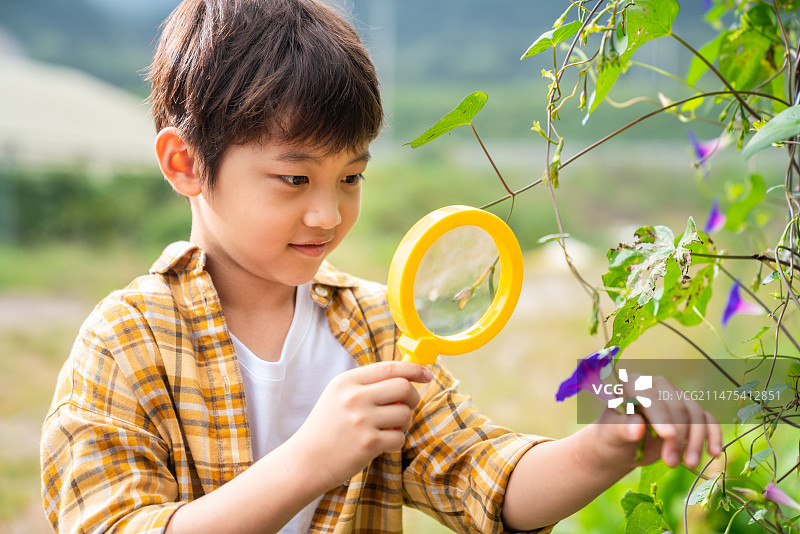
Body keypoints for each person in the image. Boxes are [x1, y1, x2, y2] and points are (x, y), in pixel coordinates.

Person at [39, 1, 722, 533]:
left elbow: (483, 475)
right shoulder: (127, 342)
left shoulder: (375, 329)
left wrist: (600, 449)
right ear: (185, 164)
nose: (328, 216)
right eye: (293, 179)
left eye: (352, 178)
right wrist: (311, 461)